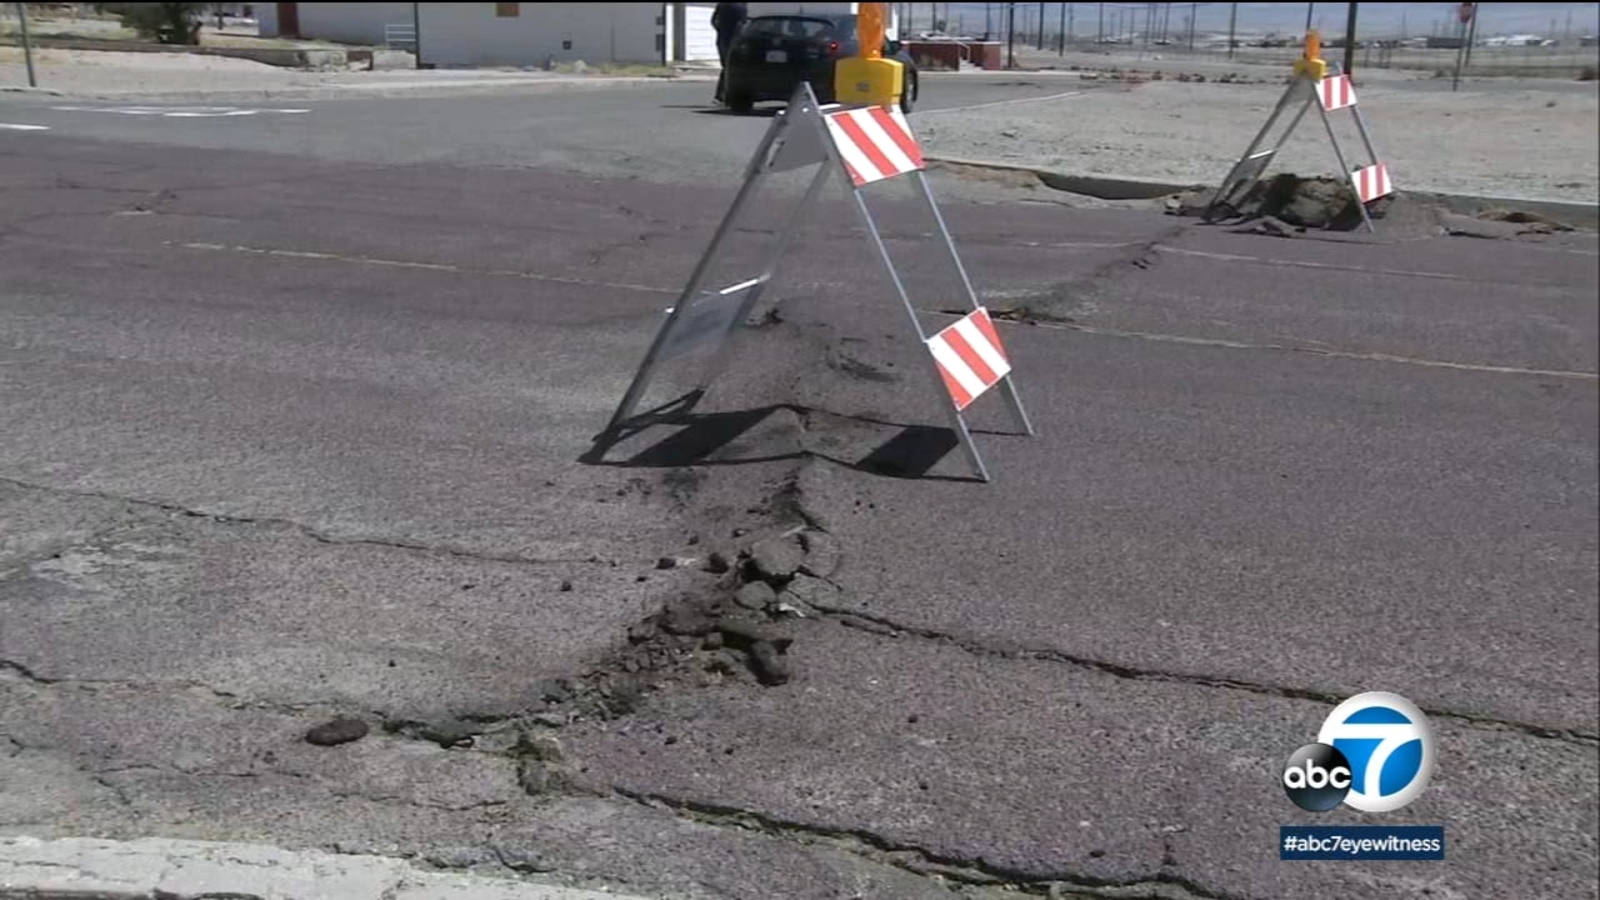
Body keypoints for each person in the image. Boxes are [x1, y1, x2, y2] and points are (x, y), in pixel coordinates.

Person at [712, 2, 747, 105]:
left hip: (722, 39)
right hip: (735, 40)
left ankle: (722, 96)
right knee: (732, 68)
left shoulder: (722, 5)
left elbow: (713, 21)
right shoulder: (741, 7)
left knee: (726, 67)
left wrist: (720, 30)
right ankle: (725, 96)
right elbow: (743, 23)